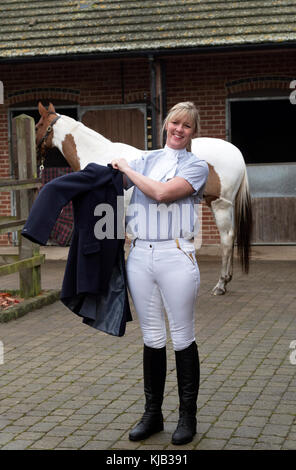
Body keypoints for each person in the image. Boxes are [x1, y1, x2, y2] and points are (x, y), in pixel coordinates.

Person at [111, 102, 209, 445]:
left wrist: (127, 166)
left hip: (176, 254)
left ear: (193, 132)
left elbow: (162, 193)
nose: (179, 129)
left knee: (182, 336)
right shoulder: (146, 157)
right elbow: (110, 179)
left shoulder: (197, 166)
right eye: (175, 123)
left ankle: (187, 417)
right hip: (139, 255)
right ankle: (152, 414)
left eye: (187, 126)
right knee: (152, 338)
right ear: (166, 124)